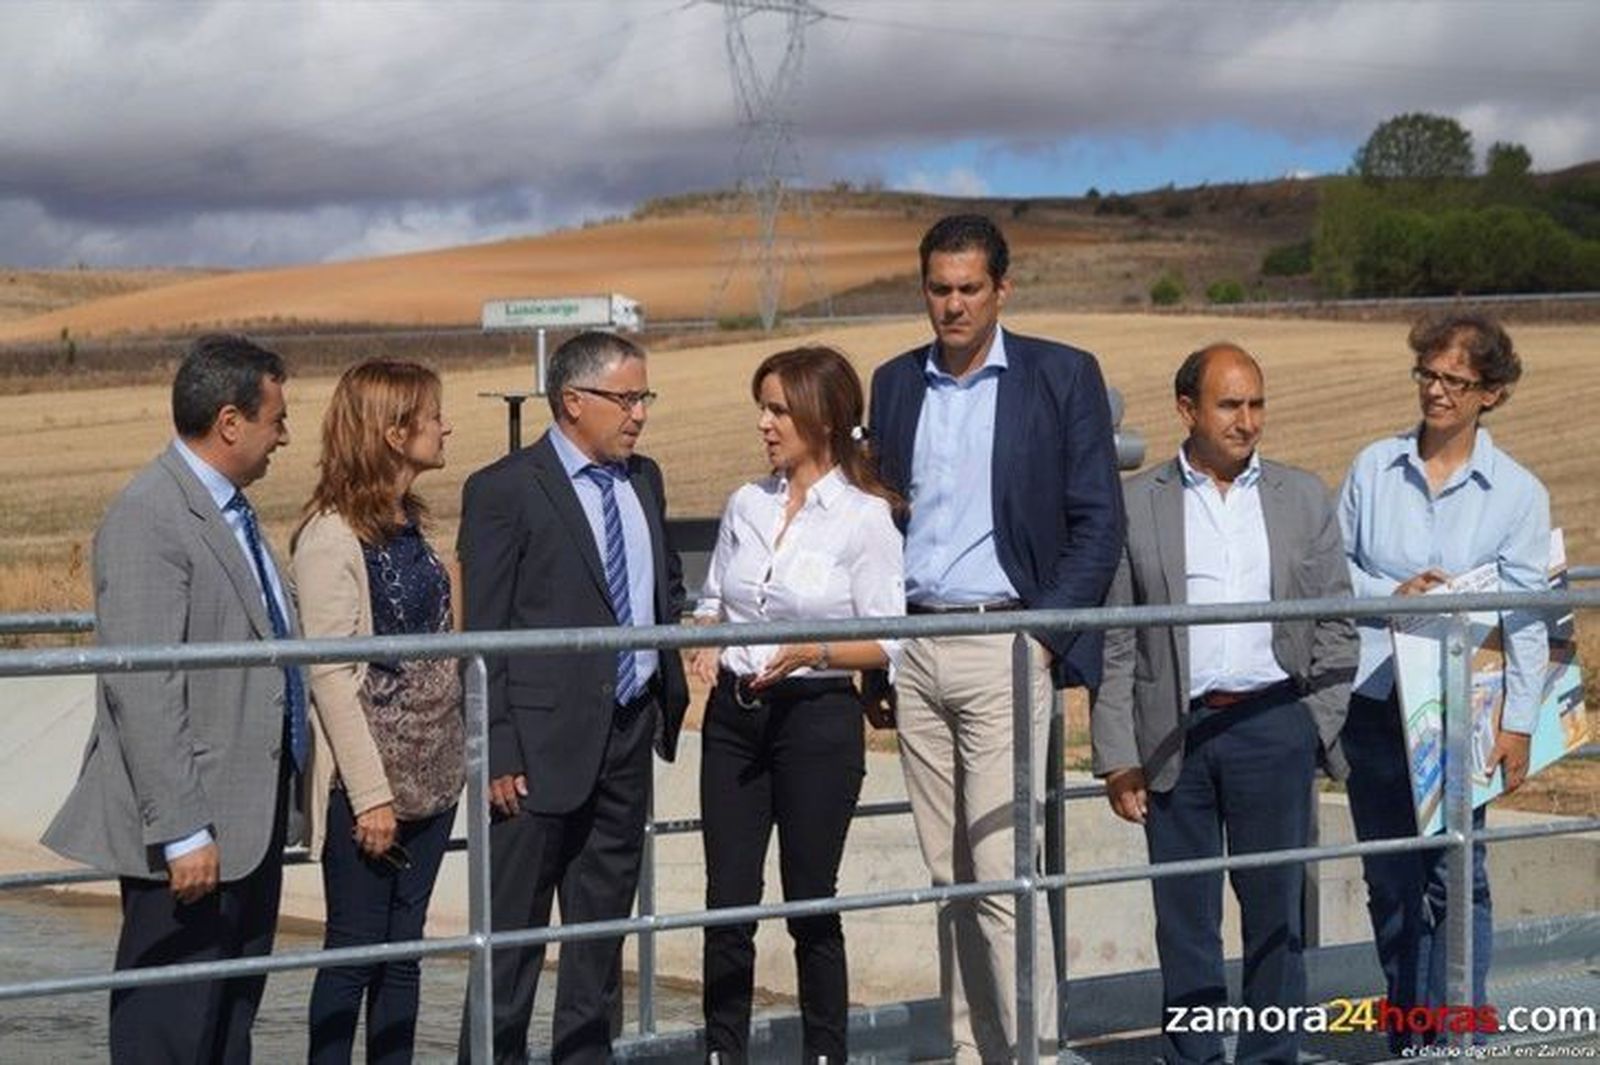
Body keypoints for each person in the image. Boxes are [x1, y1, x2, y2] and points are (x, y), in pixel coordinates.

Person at [867, 214, 1124, 1061]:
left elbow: (1098, 523)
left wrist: (1040, 640)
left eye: (969, 288)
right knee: (950, 876)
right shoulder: (896, 383)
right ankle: (972, 1051)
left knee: (1007, 871)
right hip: (918, 645)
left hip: (1005, 645)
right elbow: (881, 520)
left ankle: (1035, 1051)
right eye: (939, 289)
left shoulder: (1061, 374)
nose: (953, 305)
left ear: (1002, 288)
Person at [1091, 343, 1357, 1064]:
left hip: (1274, 724)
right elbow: (1115, 640)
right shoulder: (1137, 503)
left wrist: (1312, 725)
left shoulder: (1302, 495)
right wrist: (1117, 755)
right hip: (1174, 734)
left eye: (1256, 403)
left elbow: (1337, 622)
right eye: (1230, 404)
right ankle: (1196, 1058)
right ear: (1187, 410)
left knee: (1275, 914)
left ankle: (1271, 1057)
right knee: (1186, 922)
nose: (1247, 420)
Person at [42, 334, 304, 1064]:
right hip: (191, 834)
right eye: (276, 418)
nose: (284, 435)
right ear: (230, 421)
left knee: (227, 1028)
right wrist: (184, 829)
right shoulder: (150, 515)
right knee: (169, 1030)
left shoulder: (234, 514)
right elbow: (144, 684)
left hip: (247, 824)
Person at [455, 330, 690, 1064]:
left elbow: (662, 591)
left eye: (644, 396)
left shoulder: (644, 478)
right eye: (627, 397)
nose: (639, 414)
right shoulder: (503, 490)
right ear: (573, 401)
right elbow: (484, 631)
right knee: (511, 951)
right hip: (531, 757)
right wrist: (496, 748)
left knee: (597, 948)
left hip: (626, 737)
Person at [687, 346, 905, 1064]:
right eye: (764, 407)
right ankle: (724, 1053)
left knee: (810, 899)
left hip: (815, 719)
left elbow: (889, 640)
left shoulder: (866, 517)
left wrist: (815, 651)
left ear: (823, 415)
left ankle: (824, 1054)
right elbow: (715, 600)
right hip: (734, 718)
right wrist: (705, 637)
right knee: (729, 902)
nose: (764, 423)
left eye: (778, 409)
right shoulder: (745, 504)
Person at [1338, 313, 1549, 1050]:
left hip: (1465, 708)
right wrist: (1389, 592)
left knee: (1456, 876)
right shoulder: (1372, 467)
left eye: (1455, 381)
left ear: (1490, 393)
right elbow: (1334, 572)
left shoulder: (1517, 492)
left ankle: (1457, 1033)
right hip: (1375, 699)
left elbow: (1529, 616)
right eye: (1427, 374)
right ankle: (1409, 1031)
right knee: (1390, 882)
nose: (1436, 391)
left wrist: (1519, 722)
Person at [291, 360, 463, 1064]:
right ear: (394, 432)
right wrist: (370, 796)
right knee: (355, 950)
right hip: (368, 788)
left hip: (432, 775)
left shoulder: (410, 522)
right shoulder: (331, 536)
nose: (445, 425)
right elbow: (331, 676)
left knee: (404, 953)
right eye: (433, 414)